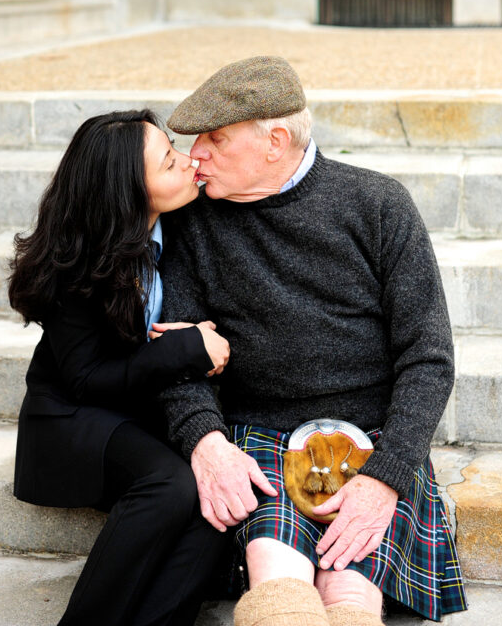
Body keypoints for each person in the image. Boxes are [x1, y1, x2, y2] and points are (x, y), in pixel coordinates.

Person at [157, 56, 467, 626]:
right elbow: (176, 358)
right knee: (279, 586)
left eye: (215, 139)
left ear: (275, 141)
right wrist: (205, 441)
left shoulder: (378, 205)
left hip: (374, 438)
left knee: (350, 589)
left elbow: (428, 356)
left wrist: (389, 475)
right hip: (260, 436)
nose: (195, 154)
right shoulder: (192, 222)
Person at [8, 109, 231, 626]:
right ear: (128, 190)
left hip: (136, 408)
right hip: (69, 416)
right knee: (172, 484)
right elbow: (86, 378)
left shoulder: (181, 227)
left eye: (174, 150)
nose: (188, 162)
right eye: (168, 162)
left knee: (217, 500)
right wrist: (184, 350)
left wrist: (196, 339)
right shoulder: (79, 262)